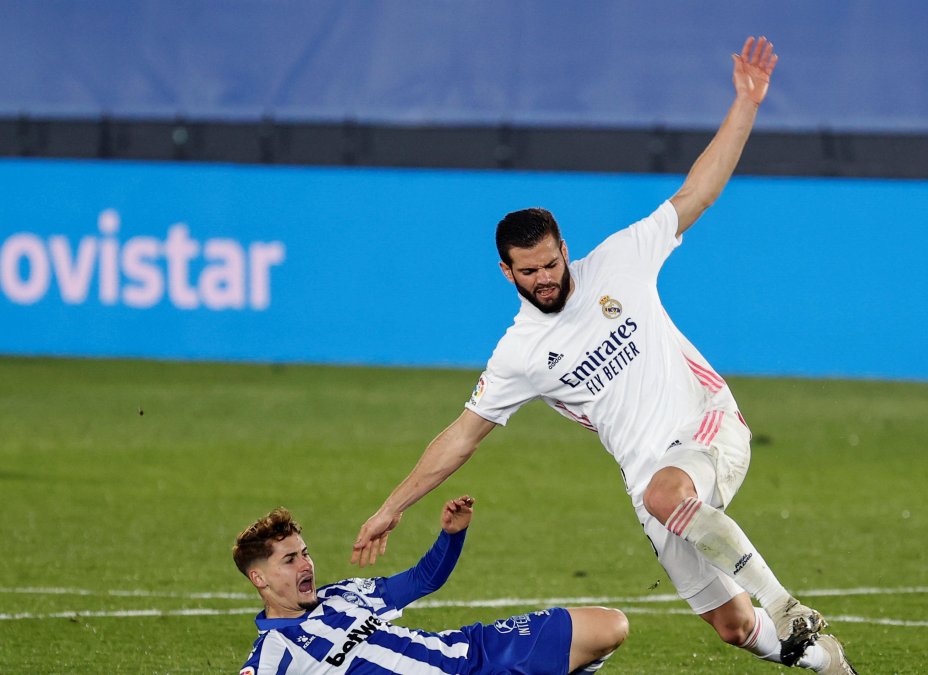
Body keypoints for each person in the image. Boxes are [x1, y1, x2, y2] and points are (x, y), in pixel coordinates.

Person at [351, 37, 856, 674]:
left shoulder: (621, 261)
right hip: (651, 484)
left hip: (706, 427)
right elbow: (460, 437)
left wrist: (746, 105)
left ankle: (787, 605)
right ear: (506, 272)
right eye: (529, 271)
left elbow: (698, 192)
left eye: (552, 262)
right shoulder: (520, 353)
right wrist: (390, 508)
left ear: (566, 248)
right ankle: (829, 662)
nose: (545, 278)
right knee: (730, 625)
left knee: (666, 493)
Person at [235, 496, 628, 674]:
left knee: (610, 626)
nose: (305, 564)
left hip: (473, 653)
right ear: (260, 578)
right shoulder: (273, 652)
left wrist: (452, 536)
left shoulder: (345, 595)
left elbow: (423, 579)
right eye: (290, 560)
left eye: (304, 553)